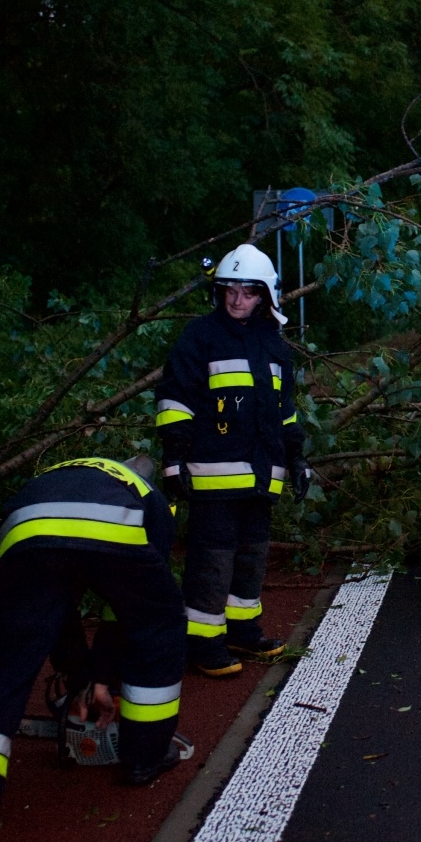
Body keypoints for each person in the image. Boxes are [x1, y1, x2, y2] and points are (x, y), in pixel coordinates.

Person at [0, 455, 186, 842]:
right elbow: (126, 612)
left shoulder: (59, 474)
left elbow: (56, 612)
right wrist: (104, 675)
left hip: (24, 533)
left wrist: (84, 676)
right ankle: (145, 756)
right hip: (112, 531)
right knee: (159, 625)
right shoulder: (151, 498)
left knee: (6, 666)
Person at [154, 244, 311, 676]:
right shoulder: (200, 337)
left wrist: (297, 461)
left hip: (263, 476)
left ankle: (244, 632)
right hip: (214, 478)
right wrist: (173, 461)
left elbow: (287, 412)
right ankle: (203, 644)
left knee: (251, 557)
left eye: (248, 292)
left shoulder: (274, 346)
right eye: (230, 291)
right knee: (212, 562)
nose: (237, 300)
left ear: (266, 296)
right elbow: (175, 400)